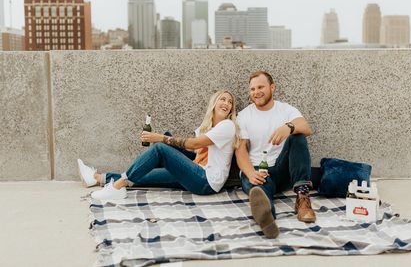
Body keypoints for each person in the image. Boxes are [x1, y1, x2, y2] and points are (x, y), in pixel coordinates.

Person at [77, 90, 239, 200]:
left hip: (206, 182)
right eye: (222, 99)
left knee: (161, 148)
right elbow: (194, 151)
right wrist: (167, 140)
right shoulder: (206, 128)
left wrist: (160, 139)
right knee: (142, 175)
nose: (226, 103)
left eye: (230, 101)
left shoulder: (227, 126)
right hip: (196, 172)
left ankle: (117, 188)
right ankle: (97, 178)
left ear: (232, 108)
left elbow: (195, 143)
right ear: (214, 103)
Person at [235, 71, 315, 239]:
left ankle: (302, 199)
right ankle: (267, 217)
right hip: (258, 171)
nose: (256, 92)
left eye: (261, 87)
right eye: (252, 89)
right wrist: (250, 173)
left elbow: (306, 127)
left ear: (272, 87)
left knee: (298, 136)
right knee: (260, 190)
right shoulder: (244, 116)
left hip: (282, 170)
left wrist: (289, 127)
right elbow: (240, 149)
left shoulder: (285, 109)